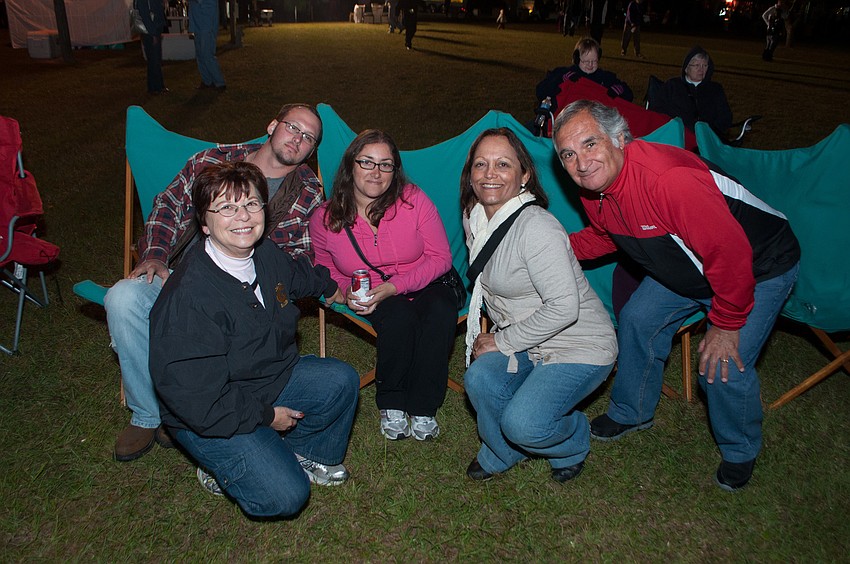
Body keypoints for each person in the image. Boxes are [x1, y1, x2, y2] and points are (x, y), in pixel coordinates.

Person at [552, 100, 801, 492]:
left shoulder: (667, 179)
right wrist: (551, 249)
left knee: (720, 364)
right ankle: (632, 411)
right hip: (688, 266)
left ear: (619, 138)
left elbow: (730, 254)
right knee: (637, 319)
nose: (581, 163)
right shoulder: (596, 192)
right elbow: (605, 236)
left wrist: (725, 322)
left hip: (758, 265)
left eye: (589, 144)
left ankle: (739, 449)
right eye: (568, 154)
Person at [104, 103, 324, 463]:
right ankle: (147, 414)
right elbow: (168, 206)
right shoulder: (211, 159)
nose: (298, 139)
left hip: (242, 291)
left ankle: (193, 410)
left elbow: (302, 255)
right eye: (293, 127)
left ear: (311, 151)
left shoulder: (307, 192)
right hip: (177, 277)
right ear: (272, 126)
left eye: (308, 137)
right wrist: (156, 253)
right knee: (123, 298)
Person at [150, 161, 358, 515]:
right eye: (226, 207)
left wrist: (332, 288)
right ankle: (218, 467)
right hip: (209, 413)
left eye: (250, 204)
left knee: (341, 380)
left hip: (267, 380)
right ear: (204, 222)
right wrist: (267, 416)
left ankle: (304, 454)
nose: (243, 217)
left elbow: (296, 276)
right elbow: (201, 401)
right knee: (286, 496)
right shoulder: (189, 299)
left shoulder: (262, 253)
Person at [460, 128, 617, 484]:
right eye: (481, 164)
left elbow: (564, 308)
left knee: (525, 424)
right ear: (470, 173)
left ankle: (573, 439)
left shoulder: (537, 228)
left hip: (578, 344)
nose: (490, 174)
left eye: (503, 164)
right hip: (529, 340)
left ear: (524, 175)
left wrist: (501, 341)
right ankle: (502, 451)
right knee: (480, 379)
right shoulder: (476, 218)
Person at [310, 130, 457, 441]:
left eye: (385, 164)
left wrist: (396, 286)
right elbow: (323, 265)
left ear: (395, 170)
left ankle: (424, 405)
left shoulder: (413, 200)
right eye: (367, 162)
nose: (376, 172)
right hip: (374, 291)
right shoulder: (325, 217)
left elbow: (441, 257)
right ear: (350, 166)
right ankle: (392, 401)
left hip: (424, 278)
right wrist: (344, 291)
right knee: (399, 318)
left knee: (440, 312)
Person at [536, 37, 634, 118]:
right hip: (569, 118)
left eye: (594, 61)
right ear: (577, 59)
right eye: (586, 61)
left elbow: (629, 96)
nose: (590, 65)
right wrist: (560, 81)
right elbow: (541, 91)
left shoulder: (604, 77)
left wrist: (619, 90)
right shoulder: (564, 73)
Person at [650, 46, 733, 139]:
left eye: (704, 65)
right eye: (696, 65)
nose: (701, 69)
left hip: (708, 139)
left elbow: (725, 117)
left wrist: (710, 133)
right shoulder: (672, 86)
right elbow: (657, 111)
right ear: (686, 68)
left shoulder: (715, 89)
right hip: (677, 136)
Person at [188, 0, 226, 90]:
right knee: (200, 55)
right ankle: (207, 80)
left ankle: (219, 82)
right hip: (198, 26)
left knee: (207, 55)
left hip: (206, 26)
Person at [137, 0, 168, 94]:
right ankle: (156, 87)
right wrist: (153, 34)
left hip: (154, 29)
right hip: (151, 31)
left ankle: (155, 86)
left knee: (155, 60)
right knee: (154, 60)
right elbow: (145, 15)